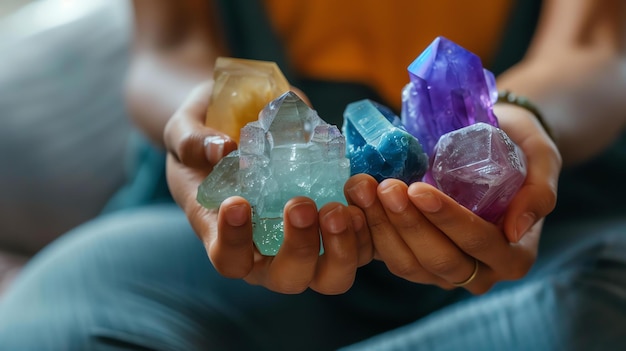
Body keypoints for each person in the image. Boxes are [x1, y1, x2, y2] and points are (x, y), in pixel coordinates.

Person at [0, 0, 625, 350]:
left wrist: (520, 119)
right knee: (50, 325)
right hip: (244, 242)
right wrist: (216, 115)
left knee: (599, 318)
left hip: (547, 230)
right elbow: (166, 50)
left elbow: (599, 46)